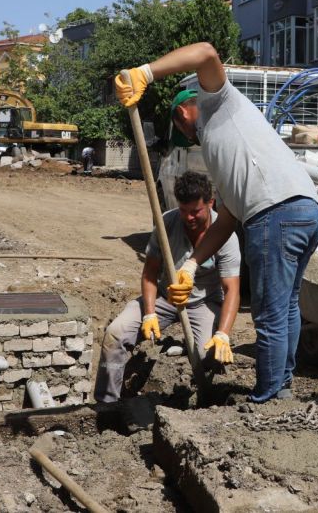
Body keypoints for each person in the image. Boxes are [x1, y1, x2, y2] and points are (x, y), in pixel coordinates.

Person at [114, 43, 318, 403]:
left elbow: (207, 53)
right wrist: (191, 266)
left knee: (269, 315)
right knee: (286, 307)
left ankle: (269, 398)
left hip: (275, 213)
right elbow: (226, 218)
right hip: (305, 209)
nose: (190, 139)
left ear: (183, 112)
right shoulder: (221, 149)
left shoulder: (218, 102)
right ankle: (282, 388)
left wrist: (145, 73)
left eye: (184, 132)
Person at [93, 171, 240, 404]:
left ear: (210, 203)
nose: (188, 218)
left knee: (206, 354)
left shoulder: (224, 237)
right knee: (116, 333)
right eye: (183, 211)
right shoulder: (167, 225)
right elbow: (150, 273)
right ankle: (107, 402)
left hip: (204, 302)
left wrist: (223, 334)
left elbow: (232, 289)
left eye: (195, 212)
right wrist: (150, 312)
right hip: (163, 297)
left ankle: (208, 401)